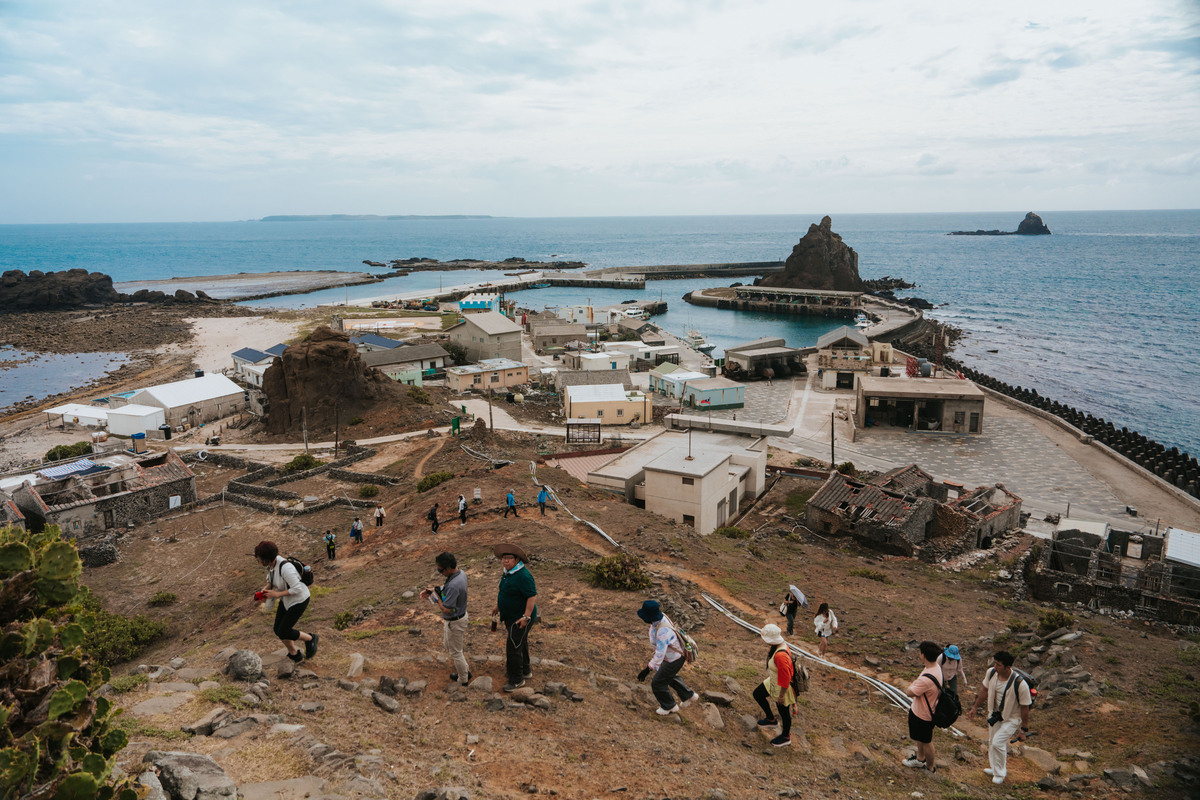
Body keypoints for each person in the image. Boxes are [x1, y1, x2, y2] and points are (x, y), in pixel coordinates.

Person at [968, 651, 1032, 785]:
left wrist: (1023, 730)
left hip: (1012, 718)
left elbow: (1025, 707)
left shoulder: (1020, 684)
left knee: (998, 742)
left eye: (998, 665)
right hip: (995, 714)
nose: (995, 667)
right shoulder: (991, 673)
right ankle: (994, 768)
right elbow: (984, 690)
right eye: (995, 663)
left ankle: (1000, 773)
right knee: (992, 741)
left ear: (1008, 667)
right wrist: (975, 707)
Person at [253, 541, 317, 663]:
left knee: (284, 631)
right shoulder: (271, 565)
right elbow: (271, 580)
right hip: (287, 599)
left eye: (260, 559)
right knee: (278, 629)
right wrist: (264, 590)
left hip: (299, 600)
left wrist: (276, 594)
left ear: (267, 559)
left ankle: (310, 638)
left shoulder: (286, 568)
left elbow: (297, 588)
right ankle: (294, 654)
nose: (259, 561)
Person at [635, 600, 698, 717]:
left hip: (674, 659)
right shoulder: (661, 618)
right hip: (673, 656)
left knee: (657, 683)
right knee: (668, 676)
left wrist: (647, 669)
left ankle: (669, 706)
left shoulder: (663, 632)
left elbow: (660, 654)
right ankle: (688, 695)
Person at [421, 552, 471, 687]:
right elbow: (447, 589)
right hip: (457, 618)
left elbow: (447, 609)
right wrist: (433, 590)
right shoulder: (460, 574)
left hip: (455, 621)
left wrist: (437, 599)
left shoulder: (454, 584)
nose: (439, 572)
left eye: (440, 570)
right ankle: (464, 671)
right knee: (450, 646)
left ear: (448, 568)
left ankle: (463, 679)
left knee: (456, 652)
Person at [493, 542, 537, 691]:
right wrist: (498, 606)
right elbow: (505, 592)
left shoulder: (523, 576)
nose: (505, 561)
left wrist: (526, 617)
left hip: (519, 618)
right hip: (510, 616)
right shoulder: (508, 572)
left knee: (513, 647)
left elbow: (532, 596)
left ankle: (517, 680)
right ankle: (525, 670)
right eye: (504, 558)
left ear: (517, 559)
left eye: (509, 558)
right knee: (520, 643)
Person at [752, 623, 797, 747]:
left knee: (784, 712)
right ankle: (771, 719)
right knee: (757, 694)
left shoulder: (780, 656)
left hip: (782, 687)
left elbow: (786, 678)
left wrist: (781, 696)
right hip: (773, 681)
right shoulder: (779, 646)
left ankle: (786, 737)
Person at [902, 640, 943, 773]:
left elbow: (909, 692)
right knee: (920, 738)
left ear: (923, 655)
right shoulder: (935, 667)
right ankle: (920, 759)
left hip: (924, 714)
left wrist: (913, 684)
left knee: (926, 741)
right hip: (922, 710)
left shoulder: (926, 679)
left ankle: (930, 767)